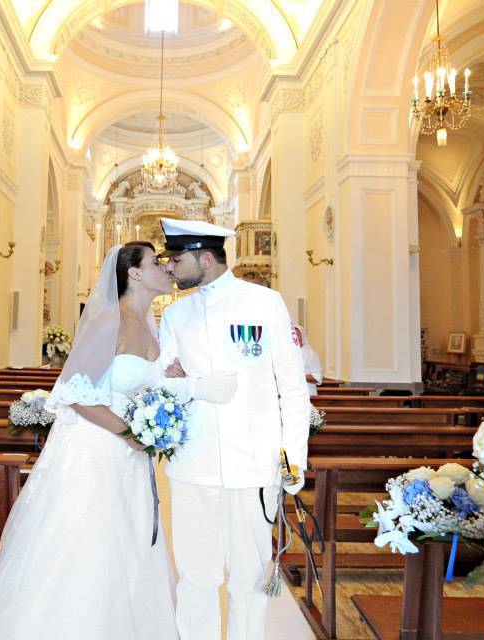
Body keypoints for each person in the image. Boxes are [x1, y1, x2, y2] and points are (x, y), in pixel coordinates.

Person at [0, 242, 236, 640]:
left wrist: (174, 380)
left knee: (129, 549)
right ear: (132, 274)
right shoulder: (108, 321)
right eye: (154, 262)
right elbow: (74, 393)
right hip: (95, 455)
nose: (165, 268)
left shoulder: (151, 325)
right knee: (90, 548)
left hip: (131, 461)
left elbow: (145, 384)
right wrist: (131, 433)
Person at [158, 217, 312, 640]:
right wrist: (189, 383)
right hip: (193, 465)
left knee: (249, 579)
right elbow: (164, 383)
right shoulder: (175, 314)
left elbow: (293, 390)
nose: (170, 267)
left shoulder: (264, 303)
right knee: (195, 578)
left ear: (205, 257)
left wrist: (292, 460)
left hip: (255, 465)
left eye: (177, 258)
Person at [293, 324, 324, 389]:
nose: (294, 337)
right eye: (293, 335)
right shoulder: (288, 353)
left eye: (297, 335)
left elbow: (318, 377)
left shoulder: (311, 354)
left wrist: (298, 376)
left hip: (307, 392)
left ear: (302, 336)